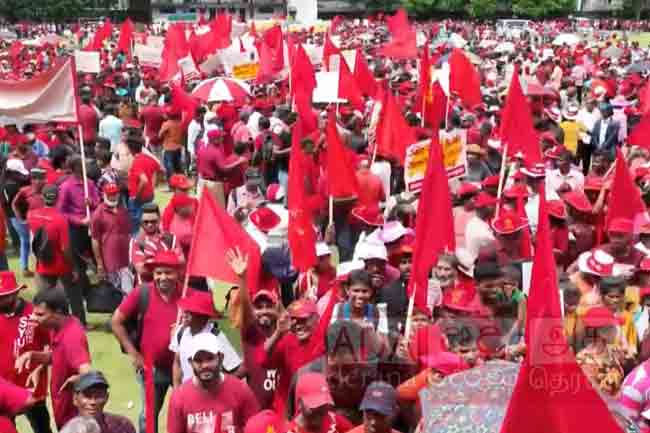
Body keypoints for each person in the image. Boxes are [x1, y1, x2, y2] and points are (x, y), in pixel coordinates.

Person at [111, 250, 183, 433]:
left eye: (168, 272)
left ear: (178, 273)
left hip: (182, 368)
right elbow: (116, 321)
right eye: (159, 272)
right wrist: (133, 353)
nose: (163, 277)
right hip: (151, 367)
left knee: (184, 413)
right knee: (148, 417)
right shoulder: (141, 293)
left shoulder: (188, 294)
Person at [16, 288, 91, 429]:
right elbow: (56, 355)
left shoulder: (72, 337)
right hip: (62, 409)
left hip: (73, 417)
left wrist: (76, 379)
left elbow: (88, 373)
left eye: (40, 314)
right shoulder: (57, 327)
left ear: (58, 312)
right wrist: (34, 357)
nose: (34, 318)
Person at [167, 332, 260, 433]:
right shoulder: (179, 398)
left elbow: (257, 428)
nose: (205, 365)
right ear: (190, 362)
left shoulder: (240, 390)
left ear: (220, 358)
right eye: (198, 360)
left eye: (210, 358)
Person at [226, 247, 281, 410]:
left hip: (281, 410)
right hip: (256, 409)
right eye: (259, 307)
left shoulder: (284, 333)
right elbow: (246, 309)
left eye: (268, 306)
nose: (264, 311)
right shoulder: (252, 333)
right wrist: (242, 279)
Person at [0, 271, 52, 433]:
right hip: (5, 388)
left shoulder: (35, 313)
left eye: (4, 296)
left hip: (33, 387)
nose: (0, 300)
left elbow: (50, 345)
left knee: (42, 428)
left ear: (16, 292)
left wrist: (39, 368)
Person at [27, 184, 82, 323]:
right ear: (58, 198)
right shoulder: (60, 219)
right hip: (60, 265)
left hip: (42, 264)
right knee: (73, 293)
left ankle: (48, 321)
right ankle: (79, 321)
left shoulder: (32, 215)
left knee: (45, 297)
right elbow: (65, 249)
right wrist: (73, 267)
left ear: (42, 197)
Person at [170, 290, 242, 386]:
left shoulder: (217, 337)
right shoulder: (180, 331)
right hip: (187, 395)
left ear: (202, 317)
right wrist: (176, 390)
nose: (184, 314)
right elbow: (177, 363)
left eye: (190, 311)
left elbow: (237, 369)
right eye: (185, 310)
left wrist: (219, 389)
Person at [90, 182, 133, 292]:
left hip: (127, 257)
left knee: (129, 289)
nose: (113, 197)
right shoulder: (98, 213)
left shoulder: (123, 209)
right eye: (110, 194)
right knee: (117, 290)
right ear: (105, 195)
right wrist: (99, 263)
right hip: (111, 260)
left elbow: (129, 232)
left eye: (115, 194)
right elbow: (95, 240)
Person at [129, 203, 184, 284]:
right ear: (141, 221)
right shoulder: (137, 241)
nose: (149, 224)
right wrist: (169, 261)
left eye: (153, 221)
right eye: (146, 222)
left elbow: (182, 261)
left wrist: (150, 262)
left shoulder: (171, 238)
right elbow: (142, 270)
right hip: (147, 289)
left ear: (159, 220)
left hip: (170, 288)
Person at [287, 372, 353, 433]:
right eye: (313, 405)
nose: (319, 410)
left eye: (323, 404)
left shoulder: (336, 421)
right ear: (299, 404)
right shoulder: (291, 431)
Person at [126, 135, 161, 233]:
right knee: (148, 223)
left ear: (130, 149)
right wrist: (152, 188)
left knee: (137, 227)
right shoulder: (149, 159)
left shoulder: (136, 162)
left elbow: (144, 180)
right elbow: (156, 171)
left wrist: (137, 196)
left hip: (137, 198)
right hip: (149, 196)